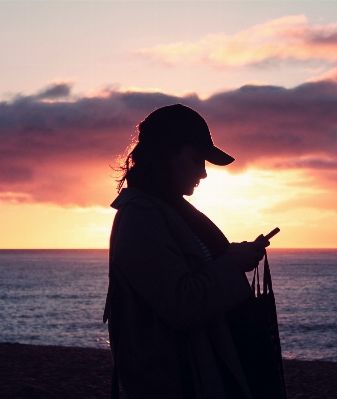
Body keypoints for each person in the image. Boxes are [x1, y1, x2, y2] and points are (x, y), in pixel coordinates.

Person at [103, 104, 269, 399]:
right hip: (175, 384)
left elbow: (190, 275)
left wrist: (231, 258)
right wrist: (231, 264)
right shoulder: (141, 217)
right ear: (166, 155)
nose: (204, 173)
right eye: (196, 160)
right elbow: (181, 303)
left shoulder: (169, 212)